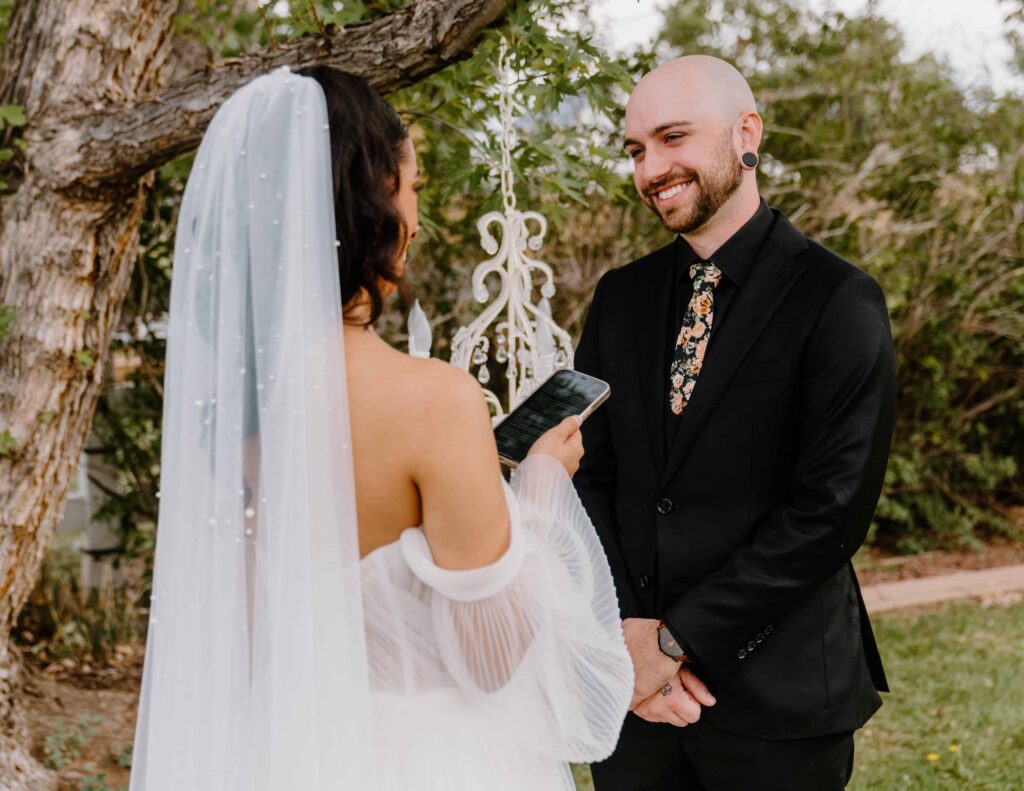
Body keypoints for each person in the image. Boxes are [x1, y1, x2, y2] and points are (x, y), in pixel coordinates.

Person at [129, 65, 636, 791]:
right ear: (371, 206)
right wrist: (540, 488)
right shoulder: (433, 400)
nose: (419, 217)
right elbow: (493, 659)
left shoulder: (231, 417)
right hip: (433, 759)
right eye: (414, 187)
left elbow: (243, 635)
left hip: (286, 750)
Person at [574, 55, 896, 790]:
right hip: (637, 703)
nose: (651, 168)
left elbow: (830, 512)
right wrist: (631, 643)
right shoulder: (619, 298)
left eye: (673, 137)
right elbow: (592, 477)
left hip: (776, 702)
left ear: (746, 133)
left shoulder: (837, 299)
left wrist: (678, 639)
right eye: (635, 150)